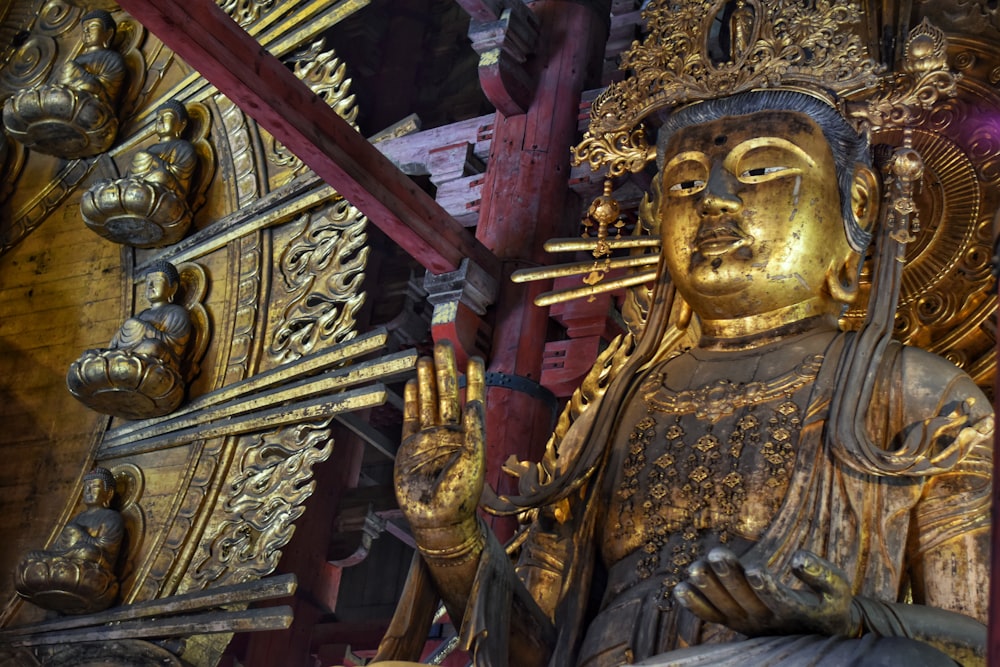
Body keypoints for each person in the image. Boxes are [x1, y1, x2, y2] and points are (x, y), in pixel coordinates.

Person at [381, 90, 992, 666]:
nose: (715, 200)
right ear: (654, 214)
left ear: (857, 201)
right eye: (685, 182)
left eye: (760, 172)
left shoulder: (918, 394)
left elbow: (975, 643)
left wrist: (853, 618)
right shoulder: (611, 410)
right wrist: (447, 534)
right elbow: (533, 651)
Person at [15, 468, 124, 614]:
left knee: (87, 552)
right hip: (67, 561)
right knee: (32, 556)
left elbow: (105, 551)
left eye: (95, 486)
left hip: (89, 563)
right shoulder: (77, 518)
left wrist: (80, 534)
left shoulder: (112, 517)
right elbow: (57, 549)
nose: (89, 491)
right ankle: (59, 567)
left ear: (108, 493)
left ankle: (63, 566)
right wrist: (57, 555)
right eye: (86, 487)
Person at [110, 260, 191, 371]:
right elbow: (113, 346)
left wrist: (144, 328)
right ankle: (121, 360)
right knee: (93, 354)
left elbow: (176, 349)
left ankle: (123, 360)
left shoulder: (177, 313)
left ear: (173, 288)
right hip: (128, 356)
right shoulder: (140, 315)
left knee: (153, 346)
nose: (150, 286)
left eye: (157, 281)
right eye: (148, 282)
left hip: (157, 361)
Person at [127, 101, 197, 201]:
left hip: (169, 190)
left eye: (167, 117)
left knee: (160, 175)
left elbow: (180, 176)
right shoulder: (151, 149)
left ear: (182, 124)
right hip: (142, 189)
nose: (160, 121)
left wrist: (154, 161)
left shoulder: (184, 147)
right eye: (158, 118)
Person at [56, 10, 125, 110]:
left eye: (93, 26)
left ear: (108, 34)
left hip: (94, 106)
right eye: (84, 29)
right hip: (67, 100)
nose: (87, 31)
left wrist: (78, 74)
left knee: (70, 67)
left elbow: (108, 91)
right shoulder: (78, 58)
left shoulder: (112, 58)